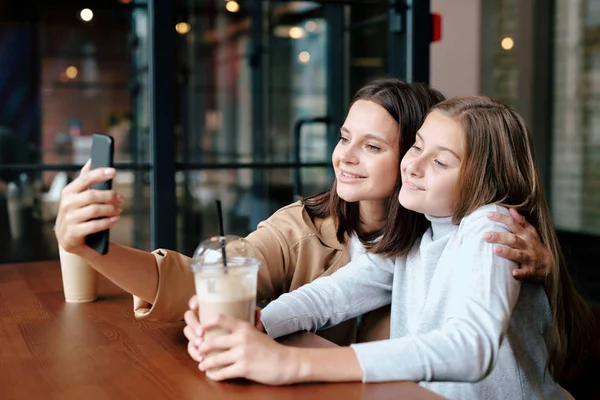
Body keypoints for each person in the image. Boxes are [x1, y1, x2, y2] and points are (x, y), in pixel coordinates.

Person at [55, 80, 550, 346]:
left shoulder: (460, 234)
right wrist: (94, 249)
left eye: (372, 146)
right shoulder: (305, 227)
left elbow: (532, 336)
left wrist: (545, 270)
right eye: (343, 138)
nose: (344, 157)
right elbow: (205, 277)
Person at [184, 96, 594, 399]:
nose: (413, 165)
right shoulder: (424, 234)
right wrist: (257, 325)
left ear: (485, 181)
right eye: (417, 146)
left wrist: (288, 363)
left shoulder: (490, 226)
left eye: (441, 161)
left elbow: (471, 347)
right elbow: (336, 292)